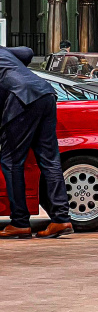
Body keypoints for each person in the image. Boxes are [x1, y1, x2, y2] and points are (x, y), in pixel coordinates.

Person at [0, 46, 73, 239]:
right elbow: (27, 52)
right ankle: (60, 219)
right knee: (50, 160)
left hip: (21, 97)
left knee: (12, 162)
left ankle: (20, 223)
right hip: (46, 93)